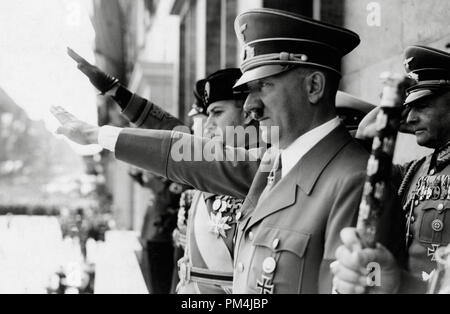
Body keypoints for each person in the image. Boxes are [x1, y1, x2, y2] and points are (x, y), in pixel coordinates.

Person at [53, 8, 404, 293]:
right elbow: (183, 152)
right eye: (247, 91)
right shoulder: (273, 164)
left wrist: (376, 283)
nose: (251, 106)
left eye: (264, 86)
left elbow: (369, 280)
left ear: (314, 86)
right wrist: (97, 135)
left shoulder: (355, 181)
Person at [331, 45, 450, 294]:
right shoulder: (417, 170)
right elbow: (365, 132)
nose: (411, 118)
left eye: (423, 105)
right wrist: (393, 105)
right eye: (409, 108)